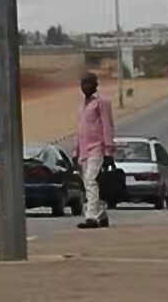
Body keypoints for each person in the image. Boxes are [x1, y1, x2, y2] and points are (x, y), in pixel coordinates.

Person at [73, 71, 115, 229]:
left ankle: (91, 217)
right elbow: (79, 130)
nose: (86, 87)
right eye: (83, 84)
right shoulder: (82, 106)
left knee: (90, 181)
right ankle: (102, 214)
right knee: (89, 182)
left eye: (89, 83)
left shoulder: (102, 102)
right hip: (84, 150)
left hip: (97, 148)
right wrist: (75, 152)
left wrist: (109, 151)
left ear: (96, 84)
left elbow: (107, 126)